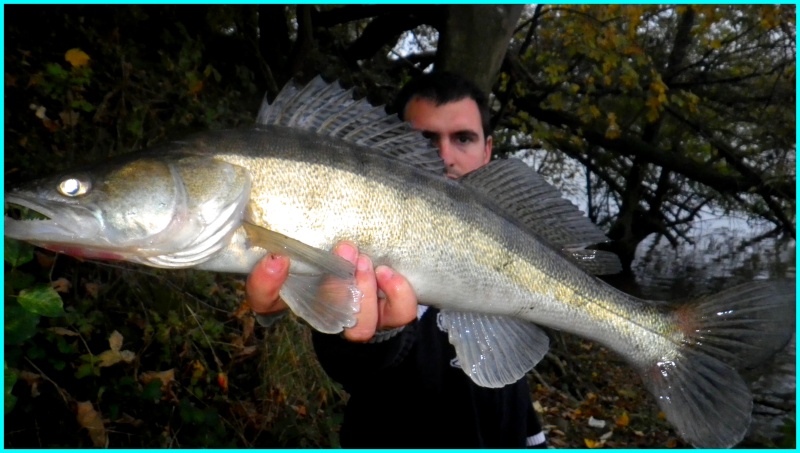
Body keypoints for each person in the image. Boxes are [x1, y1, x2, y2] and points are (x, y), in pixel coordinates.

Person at [246, 72, 547, 448]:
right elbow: (355, 363)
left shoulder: (516, 248)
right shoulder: (362, 234)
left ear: (488, 150)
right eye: (425, 139)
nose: (444, 156)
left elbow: (513, 400)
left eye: (463, 138)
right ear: (391, 145)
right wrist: (363, 337)